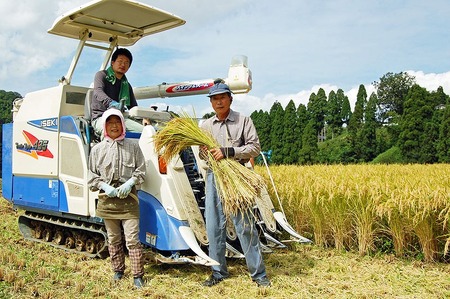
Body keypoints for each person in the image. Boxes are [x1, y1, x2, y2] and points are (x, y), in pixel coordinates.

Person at [200, 83, 271, 287]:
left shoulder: (243, 121)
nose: (219, 101)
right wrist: (205, 152)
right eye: (215, 98)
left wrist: (229, 152)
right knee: (214, 226)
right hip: (214, 176)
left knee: (244, 226)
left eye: (223, 97)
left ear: (230, 99)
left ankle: (259, 275)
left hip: (237, 175)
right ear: (211, 102)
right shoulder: (206, 126)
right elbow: (202, 156)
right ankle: (217, 272)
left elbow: (254, 148)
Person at [88, 108, 146, 288]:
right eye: (110, 122)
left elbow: (142, 171)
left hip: (129, 200)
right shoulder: (97, 149)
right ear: (105, 126)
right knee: (113, 238)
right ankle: (118, 270)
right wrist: (104, 186)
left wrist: (130, 183)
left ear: (123, 125)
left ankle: (137, 275)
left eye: (117, 122)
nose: (114, 126)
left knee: (132, 239)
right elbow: (91, 175)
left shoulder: (134, 146)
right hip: (107, 201)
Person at [91, 47, 143, 137]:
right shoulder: (102, 75)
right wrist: (111, 103)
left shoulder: (126, 85)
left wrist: (144, 118)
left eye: (127, 63)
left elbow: (133, 107)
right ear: (113, 62)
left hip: (120, 118)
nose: (123, 64)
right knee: (111, 131)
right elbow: (98, 92)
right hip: (101, 117)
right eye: (120, 61)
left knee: (145, 131)